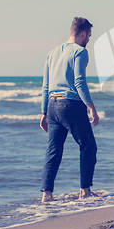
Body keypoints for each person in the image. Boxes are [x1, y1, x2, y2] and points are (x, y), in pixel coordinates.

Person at [40, 17, 100, 203]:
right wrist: (91, 108)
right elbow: (79, 81)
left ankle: (46, 195)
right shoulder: (80, 52)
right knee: (88, 146)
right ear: (83, 33)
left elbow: (45, 86)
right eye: (89, 36)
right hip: (71, 105)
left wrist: (43, 113)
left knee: (54, 150)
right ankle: (85, 191)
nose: (89, 39)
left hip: (52, 106)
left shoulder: (52, 53)